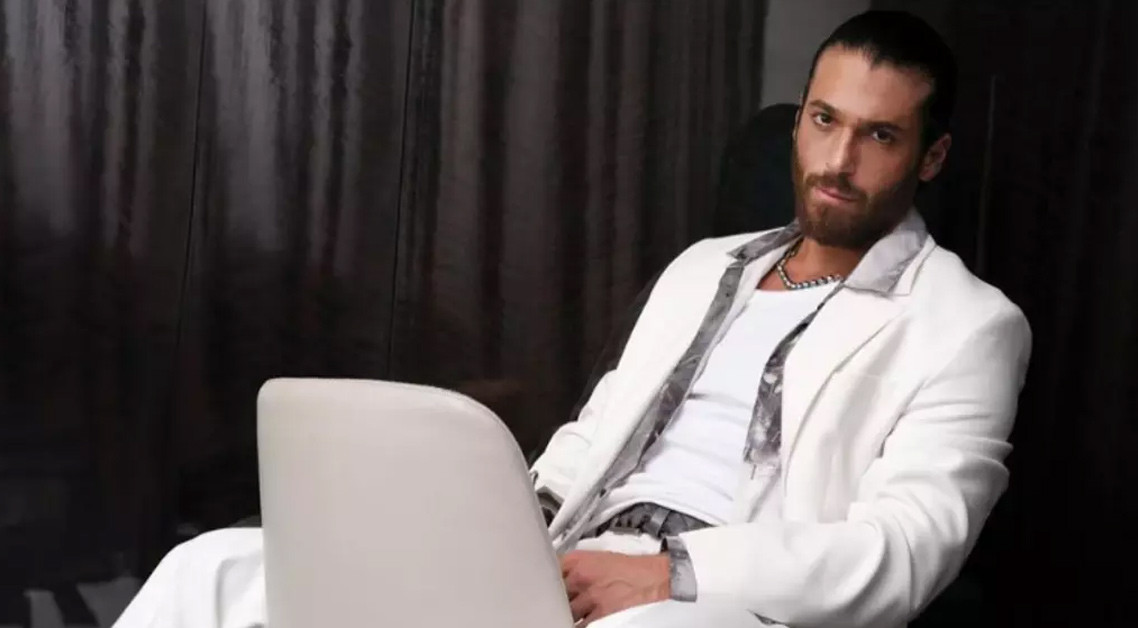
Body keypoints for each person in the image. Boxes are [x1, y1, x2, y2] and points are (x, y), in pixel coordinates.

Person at [114, 10, 1030, 628]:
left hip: (718, 599)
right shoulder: (705, 267)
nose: (838, 160)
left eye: (879, 135)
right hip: (568, 556)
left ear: (931, 156)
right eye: (824, 120)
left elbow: (905, 551)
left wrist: (674, 574)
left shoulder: (967, 325)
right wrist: (499, 526)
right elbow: (597, 434)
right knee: (215, 570)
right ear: (799, 124)